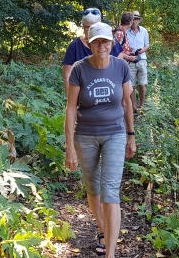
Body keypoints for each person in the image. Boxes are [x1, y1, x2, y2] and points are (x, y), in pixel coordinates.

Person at [65, 22, 136, 258]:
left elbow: (127, 103)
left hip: (114, 132)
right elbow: (71, 108)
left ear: (112, 42)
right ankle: (104, 231)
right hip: (85, 135)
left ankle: (110, 253)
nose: (101, 46)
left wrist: (131, 136)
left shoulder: (121, 67)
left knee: (110, 191)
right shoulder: (79, 69)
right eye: (96, 42)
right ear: (90, 44)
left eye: (105, 41)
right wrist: (69, 148)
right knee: (93, 189)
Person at [62, 8, 123, 94]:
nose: (91, 30)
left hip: (110, 92)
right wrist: (71, 100)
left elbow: (120, 70)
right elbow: (67, 76)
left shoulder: (111, 42)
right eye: (87, 27)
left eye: (94, 27)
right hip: (84, 96)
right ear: (83, 26)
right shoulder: (75, 46)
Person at [126, 10, 150, 111]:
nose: (134, 21)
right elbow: (122, 47)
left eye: (136, 19)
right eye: (133, 19)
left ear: (139, 20)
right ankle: (134, 106)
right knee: (131, 85)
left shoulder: (144, 31)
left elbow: (147, 45)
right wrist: (128, 49)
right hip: (130, 61)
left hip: (141, 60)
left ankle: (141, 105)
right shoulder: (126, 32)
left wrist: (142, 50)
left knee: (142, 84)